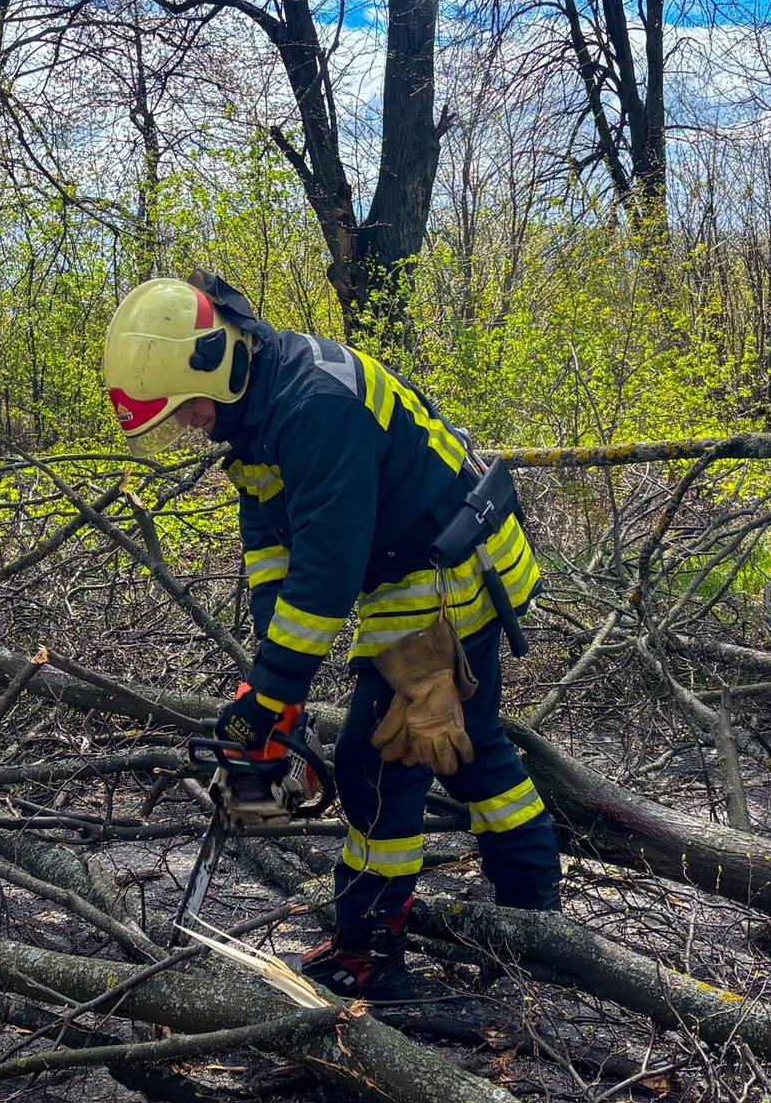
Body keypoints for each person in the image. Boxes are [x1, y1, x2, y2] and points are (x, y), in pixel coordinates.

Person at [103, 272, 562, 999]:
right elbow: (271, 549)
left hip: (444, 573)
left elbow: (326, 570)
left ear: (213, 363)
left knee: (379, 761)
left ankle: (374, 949)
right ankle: (535, 921)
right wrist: (268, 685)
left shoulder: (314, 409)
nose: (185, 424)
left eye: (182, 408)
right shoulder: (255, 412)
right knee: (469, 753)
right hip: (411, 565)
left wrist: (279, 687)